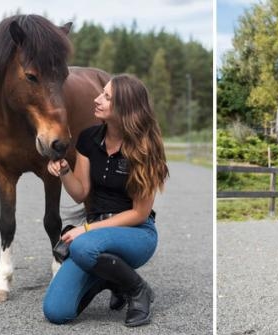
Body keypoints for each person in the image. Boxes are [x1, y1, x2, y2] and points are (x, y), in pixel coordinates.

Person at [42, 74, 169, 327]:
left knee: (81, 246)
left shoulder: (144, 148)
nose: (97, 99)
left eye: (107, 97)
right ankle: (110, 278)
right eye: (102, 93)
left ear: (125, 107)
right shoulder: (89, 138)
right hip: (93, 238)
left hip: (136, 233)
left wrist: (86, 230)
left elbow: (139, 214)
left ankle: (137, 289)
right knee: (56, 312)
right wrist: (65, 171)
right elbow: (81, 192)